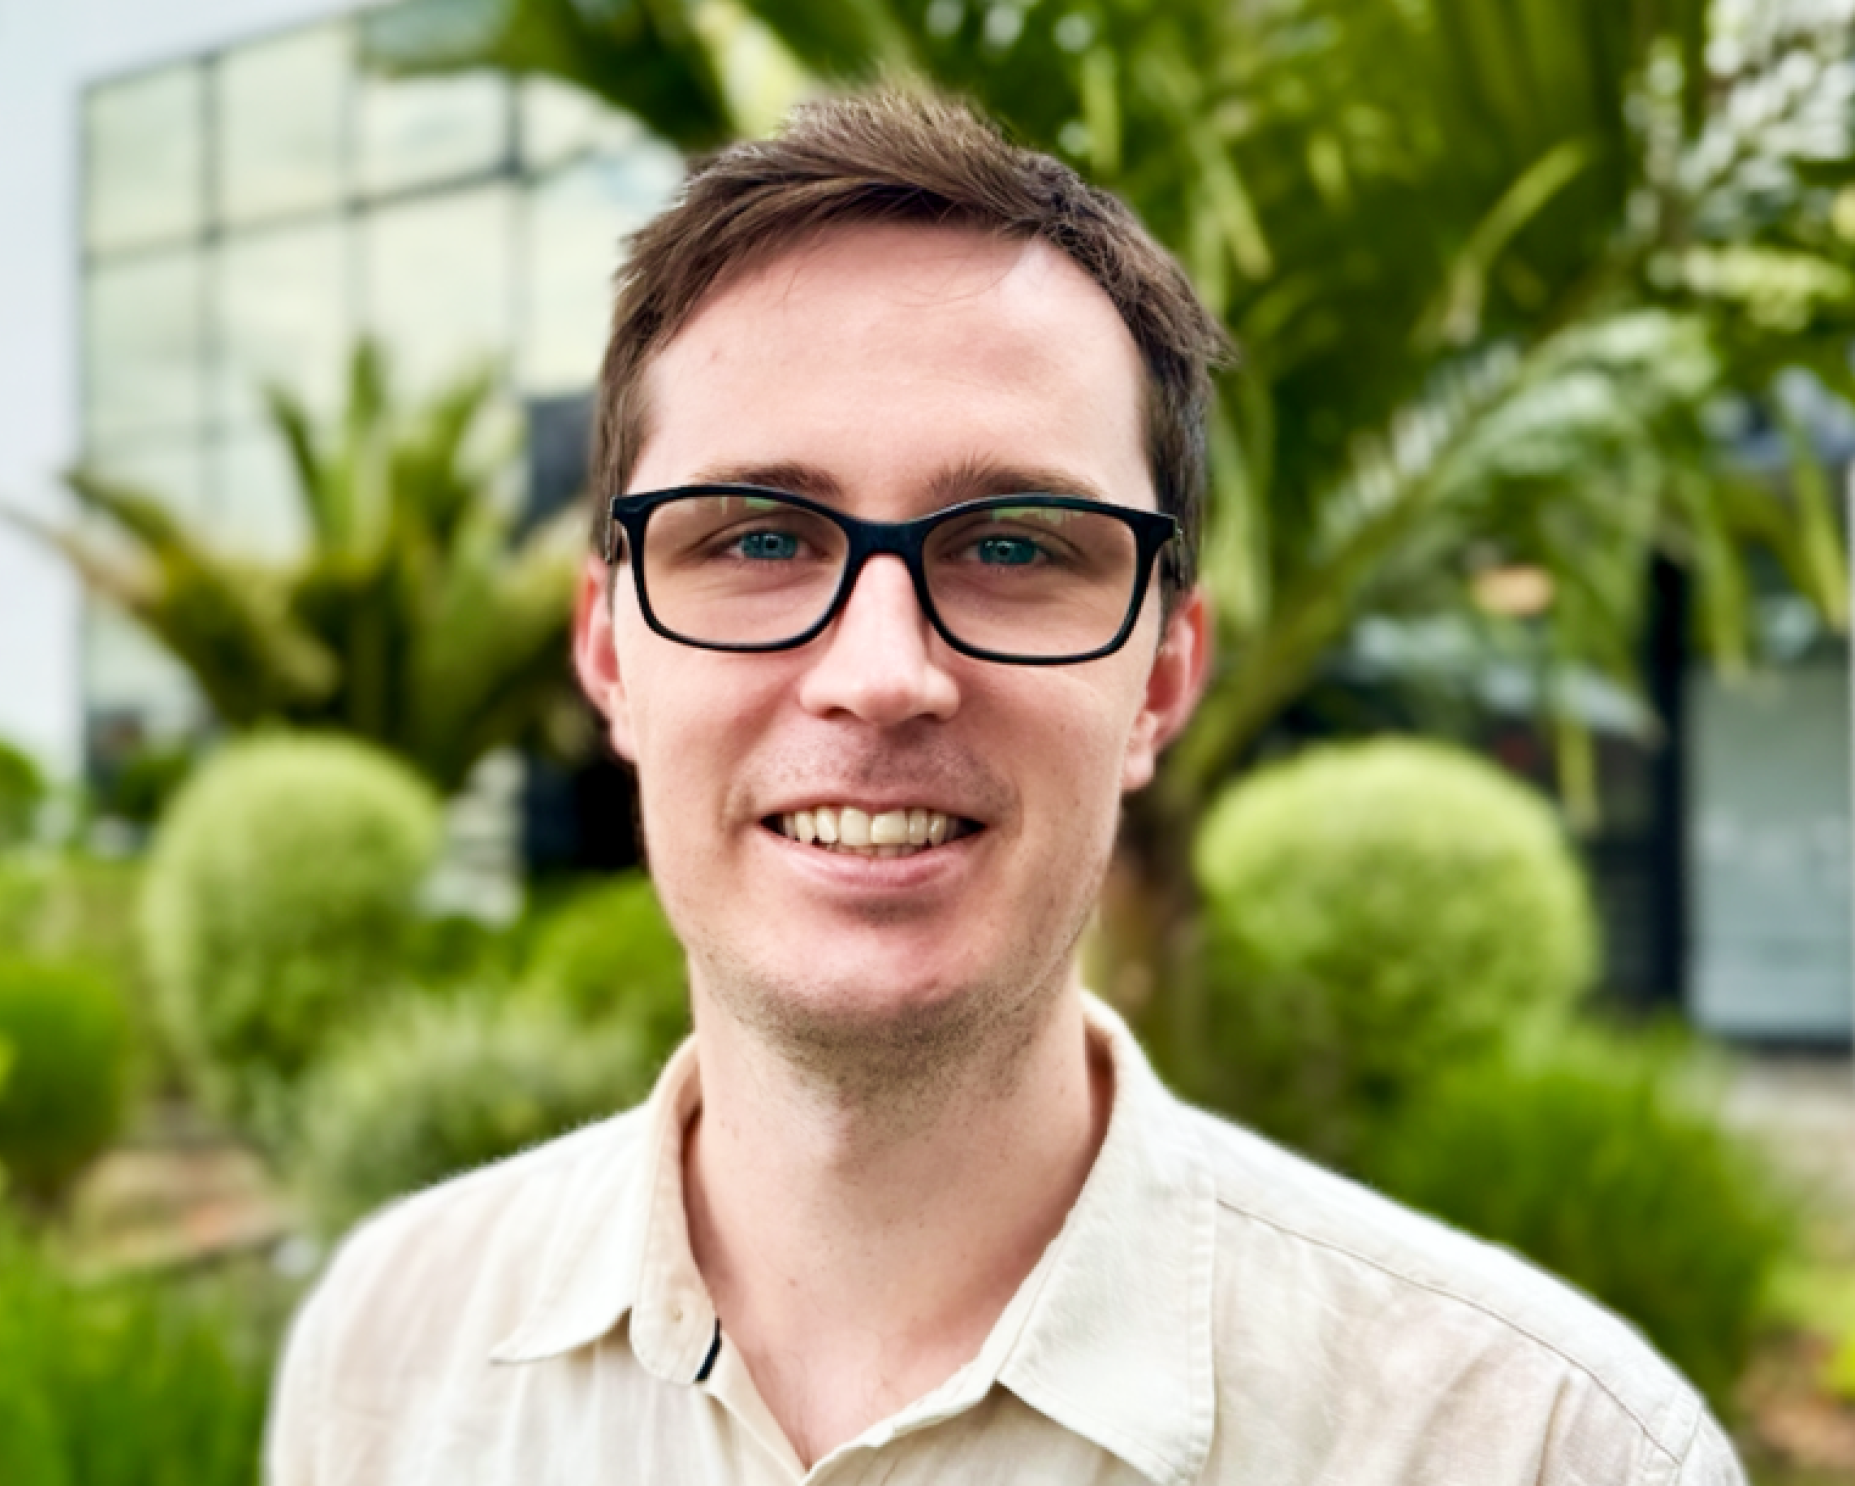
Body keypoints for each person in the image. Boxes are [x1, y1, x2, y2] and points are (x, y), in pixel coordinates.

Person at [265, 92, 1744, 1484]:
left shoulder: (1539, 1445)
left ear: (1161, 678)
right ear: (610, 651)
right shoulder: (392, 1357)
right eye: (761, 539)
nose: (882, 671)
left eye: (1019, 546)